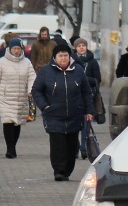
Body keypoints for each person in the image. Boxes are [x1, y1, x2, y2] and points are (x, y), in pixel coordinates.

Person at [32, 44, 94, 181]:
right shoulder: (46, 71)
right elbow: (36, 90)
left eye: (66, 55)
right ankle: (58, 171)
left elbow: (86, 92)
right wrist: (44, 106)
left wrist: (89, 110)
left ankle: (67, 171)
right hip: (54, 115)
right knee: (57, 145)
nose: (64, 58)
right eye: (60, 55)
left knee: (72, 146)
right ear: (55, 57)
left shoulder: (78, 70)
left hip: (74, 114)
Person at [0, 37, 37, 159]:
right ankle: (10, 149)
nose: (16, 51)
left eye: (18, 49)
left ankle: (13, 146)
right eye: (14, 48)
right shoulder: (1, 62)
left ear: (22, 49)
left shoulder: (27, 63)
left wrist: (31, 91)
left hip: (21, 99)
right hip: (5, 98)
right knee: (8, 122)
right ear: (9, 49)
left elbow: (32, 78)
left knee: (17, 124)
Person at [72, 38, 102, 159]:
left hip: (88, 95)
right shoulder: (71, 61)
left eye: (83, 45)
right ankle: (75, 147)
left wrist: (85, 79)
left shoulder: (92, 62)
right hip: (74, 95)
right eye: (79, 46)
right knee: (74, 124)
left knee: (86, 123)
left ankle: (84, 147)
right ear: (75, 48)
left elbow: (97, 79)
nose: (81, 47)